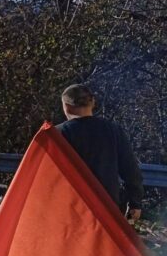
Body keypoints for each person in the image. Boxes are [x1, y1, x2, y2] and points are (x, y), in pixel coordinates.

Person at [57, 84, 143, 220]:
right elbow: (130, 170)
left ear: (66, 106)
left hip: (69, 208)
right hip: (106, 207)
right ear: (92, 102)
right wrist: (135, 203)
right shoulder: (113, 130)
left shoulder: (57, 134)